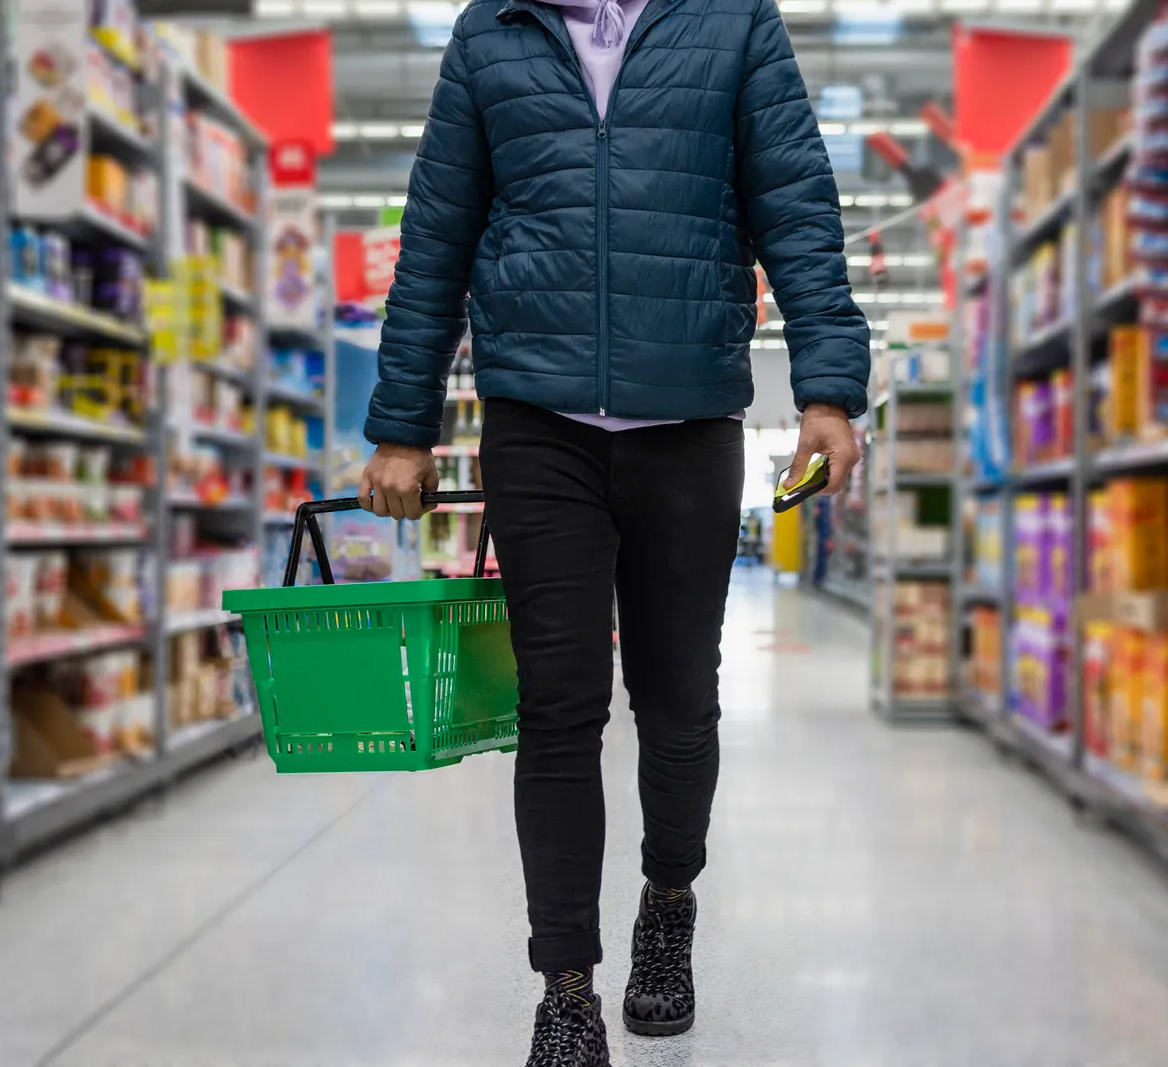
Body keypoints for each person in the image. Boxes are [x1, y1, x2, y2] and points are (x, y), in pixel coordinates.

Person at [358, 0, 867, 1061]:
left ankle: (668, 901)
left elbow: (797, 208)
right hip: (536, 421)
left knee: (679, 700)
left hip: (686, 416)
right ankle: (565, 985)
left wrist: (827, 388)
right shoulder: (489, 30)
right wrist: (402, 423)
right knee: (558, 707)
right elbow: (437, 230)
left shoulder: (732, 24)